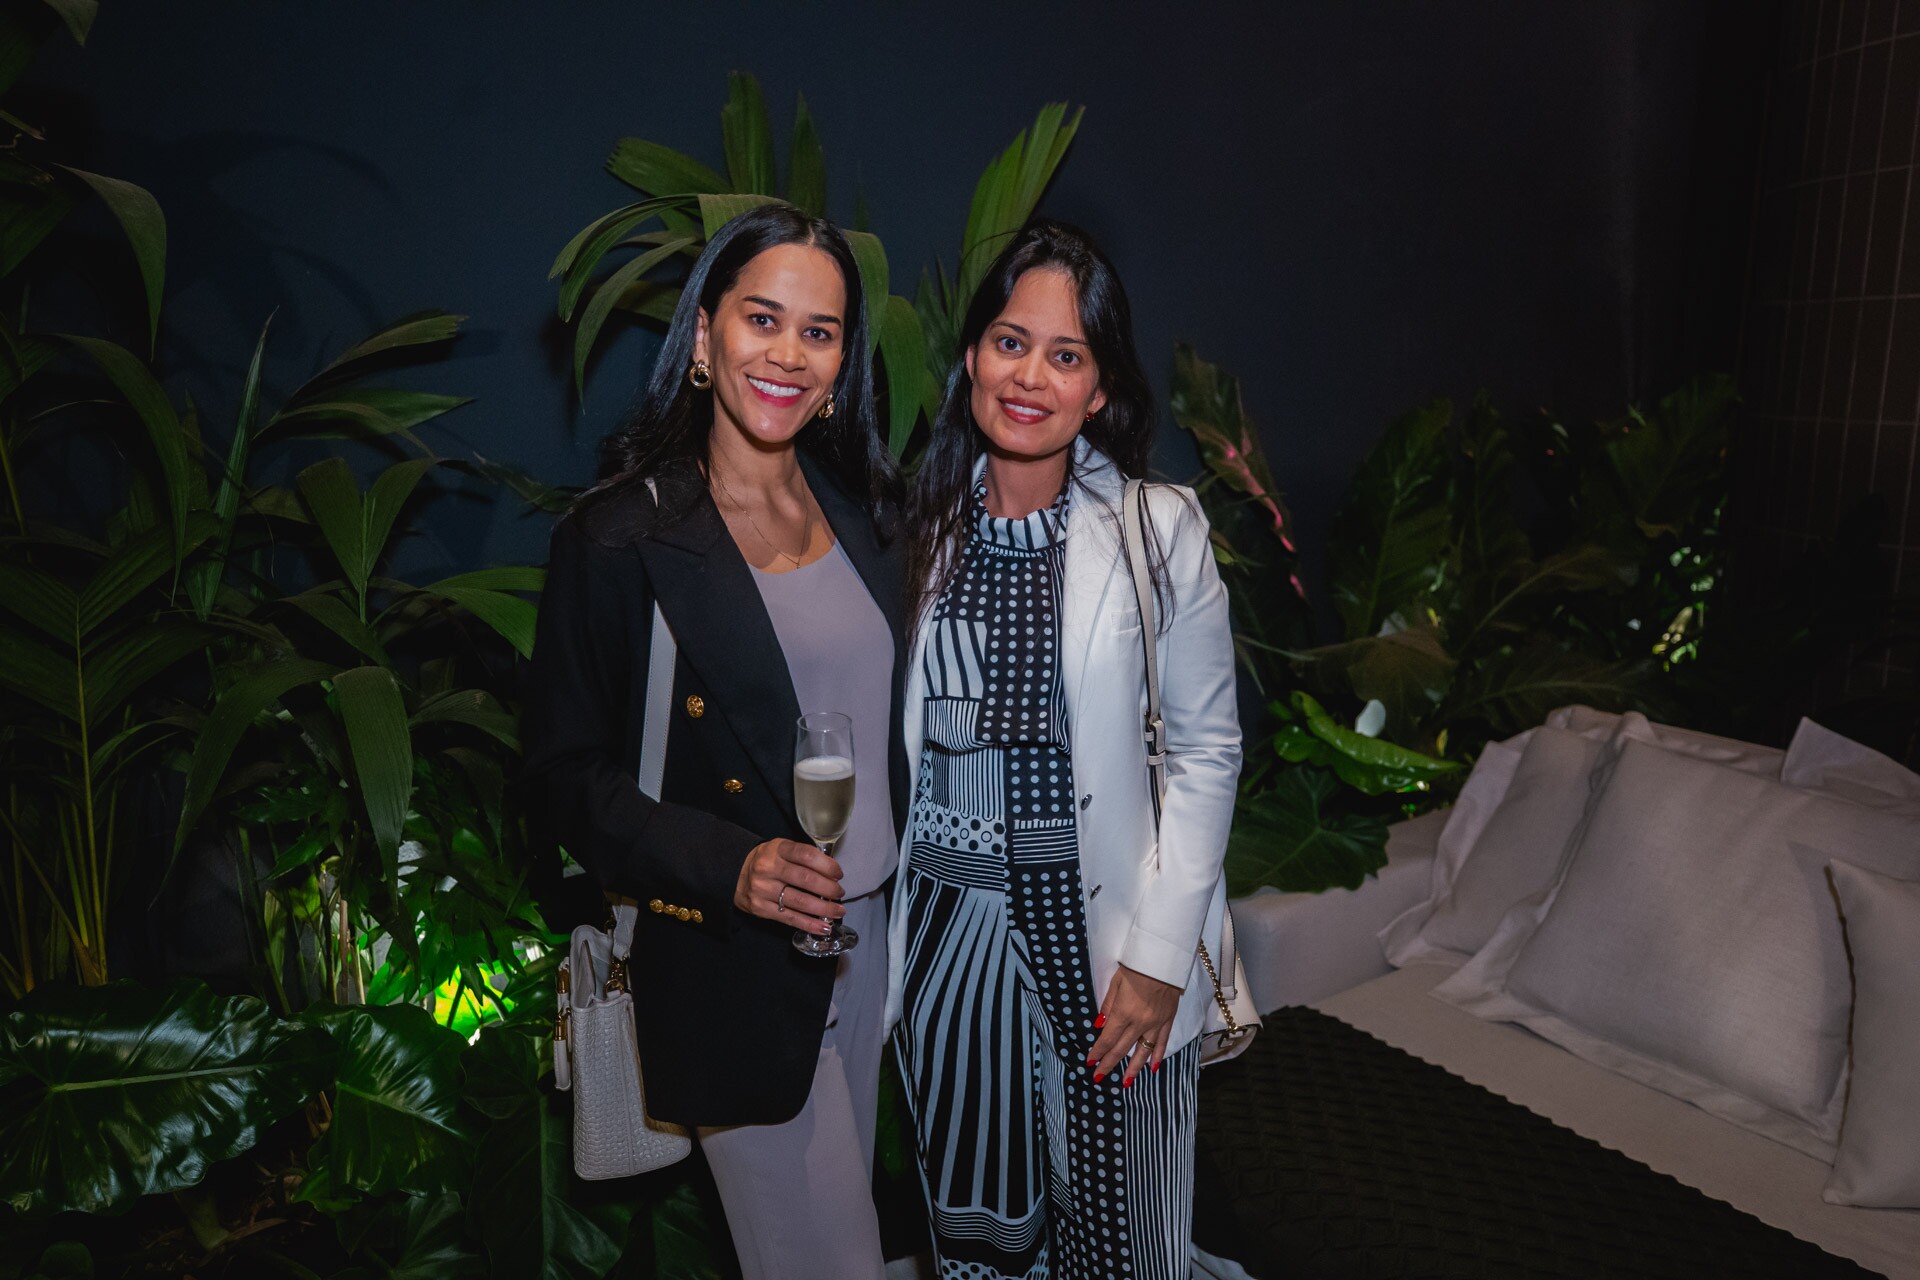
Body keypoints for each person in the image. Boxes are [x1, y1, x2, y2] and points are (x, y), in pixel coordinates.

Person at [523, 203, 907, 1280]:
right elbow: (559, 777)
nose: (789, 353)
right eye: (762, 319)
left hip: (870, 946)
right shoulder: (620, 537)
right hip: (734, 963)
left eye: (820, 331)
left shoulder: (868, 511)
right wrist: (728, 863)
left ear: (843, 360)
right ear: (703, 338)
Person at [887, 219, 1242, 1279]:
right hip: (952, 946)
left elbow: (1208, 751)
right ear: (970, 357)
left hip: (1106, 953)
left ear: (1101, 389)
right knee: (977, 1240)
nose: (1030, 374)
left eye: (1067, 354)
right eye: (1010, 340)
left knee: (1125, 1248)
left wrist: (1160, 955)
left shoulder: (1156, 526)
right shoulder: (911, 526)